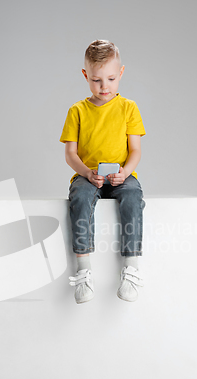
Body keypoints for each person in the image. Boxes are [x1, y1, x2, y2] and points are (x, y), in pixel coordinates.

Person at [60, 39, 146, 304]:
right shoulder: (77, 111)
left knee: (133, 197)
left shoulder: (129, 108)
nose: (104, 86)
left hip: (121, 175)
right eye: (97, 80)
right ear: (86, 76)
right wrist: (86, 173)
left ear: (120, 73)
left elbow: (135, 151)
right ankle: (83, 271)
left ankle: (131, 269)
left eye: (110, 78)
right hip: (89, 176)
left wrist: (126, 172)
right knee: (80, 199)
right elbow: (70, 154)